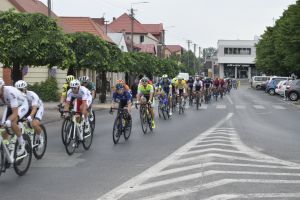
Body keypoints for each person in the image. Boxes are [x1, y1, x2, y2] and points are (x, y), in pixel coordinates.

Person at [0, 78, 29, 156]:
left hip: (22, 104)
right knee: (3, 127)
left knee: (12, 122)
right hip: (10, 105)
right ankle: (5, 146)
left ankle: (22, 144)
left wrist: (8, 121)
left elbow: (15, 113)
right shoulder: (2, 91)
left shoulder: (10, 92)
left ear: (2, 87)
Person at [15, 80, 45, 147]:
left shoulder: (32, 95)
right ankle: (26, 136)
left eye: (21, 89)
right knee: (18, 123)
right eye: (17, 90)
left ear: (25, 88)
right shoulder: (17, 96)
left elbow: (34, 108)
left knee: (34, 124)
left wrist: (31, 116)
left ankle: (39, 136)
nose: (19, 91)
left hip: (38, 108)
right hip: (27, 109)